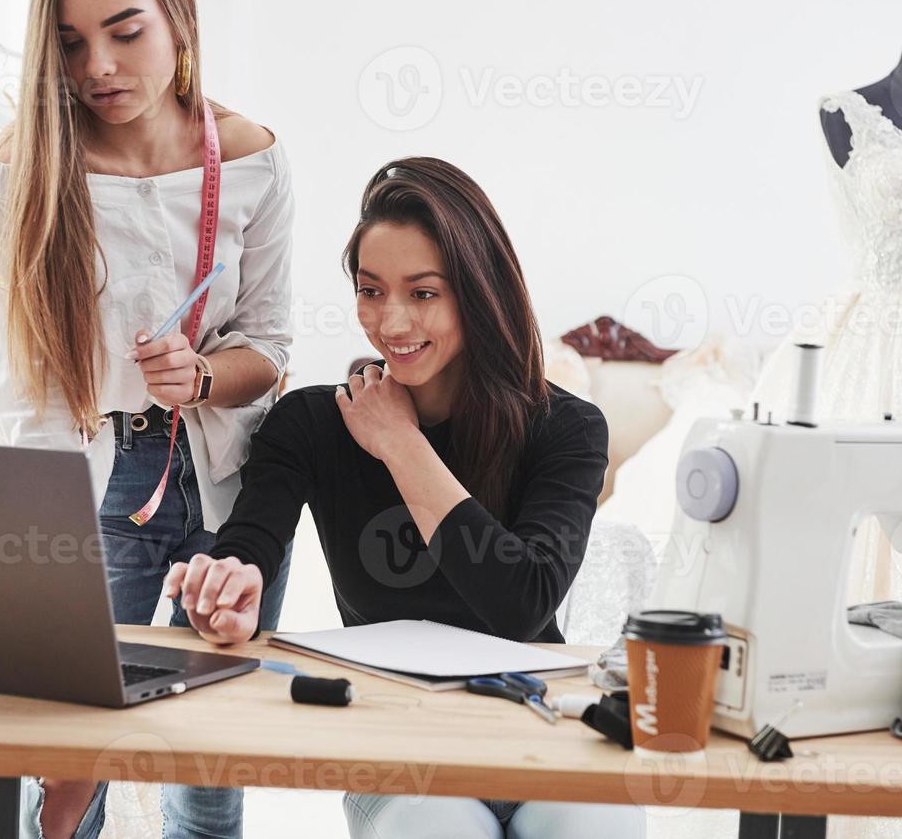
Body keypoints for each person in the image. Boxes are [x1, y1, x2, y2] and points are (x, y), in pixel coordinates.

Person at [164, 157, 646, 838]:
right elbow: (251, 540)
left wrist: (401, 444)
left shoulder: (564, 428)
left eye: (423, 294)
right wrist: (230, 582)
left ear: (480, 293)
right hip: (398, 743)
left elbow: (521, 602)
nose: (390, 322)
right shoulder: (310, 423)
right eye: (370, 290)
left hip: (538, 725)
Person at [0, 0, 294, 839]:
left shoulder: (255, 160)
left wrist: (201, 379)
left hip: (228, 490)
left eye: (124, 30)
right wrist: (45, 553)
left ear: (178, 18)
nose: (99, 68)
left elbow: (269, 349)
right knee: (66, 786)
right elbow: (22, 394)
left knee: (207, 778)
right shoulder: (26, 176)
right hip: (92, 488)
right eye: (70, 44)